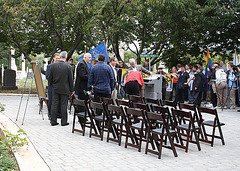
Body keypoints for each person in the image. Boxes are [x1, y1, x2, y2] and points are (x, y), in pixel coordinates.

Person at [49, 51, 74, 126]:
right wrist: (71, 90)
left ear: (60, 57)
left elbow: (50, 78)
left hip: (55, 88)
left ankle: (53, 121)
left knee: (54, 104)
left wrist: (52, 85)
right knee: (63, 104)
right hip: (65, 88)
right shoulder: (69, 67)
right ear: (66, 57)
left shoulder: (53, 66)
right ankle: (64, 121)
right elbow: (71, 79)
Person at [46, 53, 60, 119]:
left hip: (59, 87)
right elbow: (48, 77)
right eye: (56, 58)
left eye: (59, 58)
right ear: (54, 58)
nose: (58, 60)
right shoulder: (49, 66)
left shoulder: (61, 66)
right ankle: (50, 114)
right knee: (51, 101)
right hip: (52, 87)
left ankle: (57, 114)